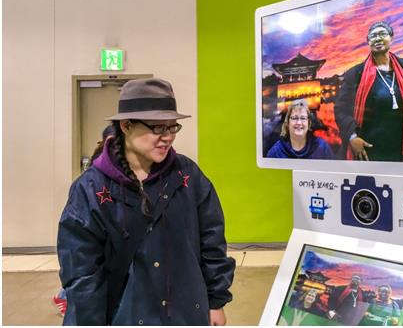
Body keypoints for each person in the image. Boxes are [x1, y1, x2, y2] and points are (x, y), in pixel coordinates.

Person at [57, 78, 235, 325]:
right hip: (125, 316)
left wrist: (215, 301)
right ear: (126, 126)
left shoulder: (187, 175)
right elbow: (81, 271)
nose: (168, 137)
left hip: (186, 313)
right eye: (157, 128)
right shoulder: (90, 189)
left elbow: (212, 240)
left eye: (172, 127)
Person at [52, 124, 116, 318]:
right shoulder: (95, 174)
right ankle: (64, 295)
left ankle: (64, 295)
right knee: (88, 263)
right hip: (97, 227)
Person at [335, 22, 403, 162]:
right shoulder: (356, 74)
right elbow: (340, 109)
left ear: (391, 38)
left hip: (401, 147)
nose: (378, 39)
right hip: (368, 149)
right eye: (373, 36)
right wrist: (352, 136)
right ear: (368, 42)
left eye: (382, 34)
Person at [267, 99, 334, 159]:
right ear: (287, 122)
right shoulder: (275, 153)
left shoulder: (322, 148)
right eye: (295, 118)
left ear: (309, 123)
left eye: (303, 118)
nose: (299, 123)